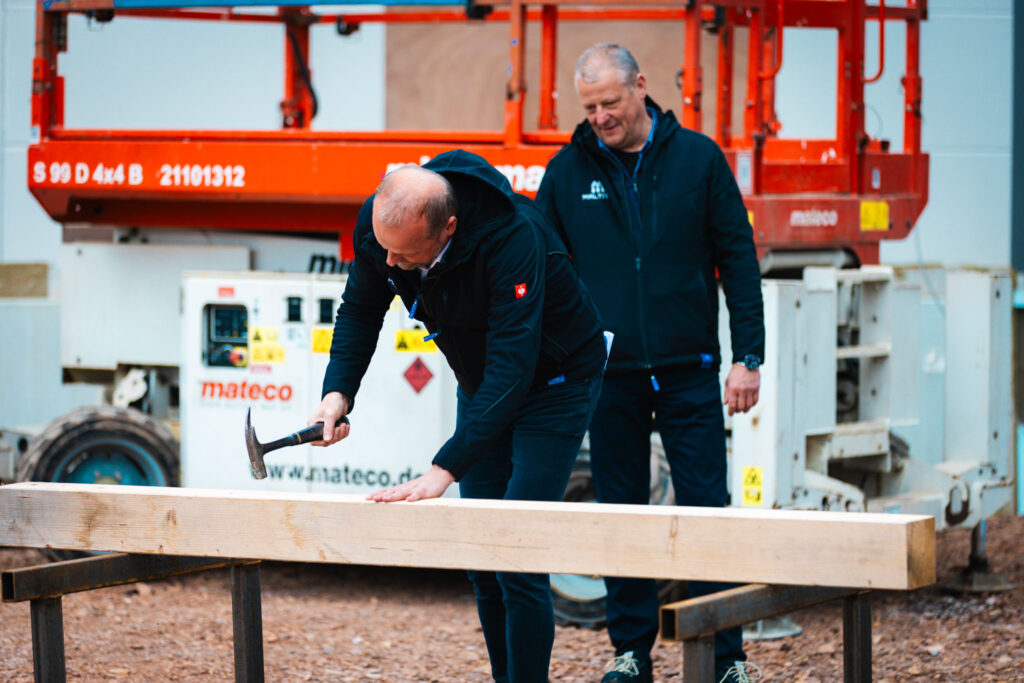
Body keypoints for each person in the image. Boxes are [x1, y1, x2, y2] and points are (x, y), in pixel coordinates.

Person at [308, 150, 608, 683]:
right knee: (483, 555)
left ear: (447, 227)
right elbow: (360, 308)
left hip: (556, 381)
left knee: (515, 550)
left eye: (405, 256)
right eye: (385, 251)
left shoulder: (514, 237)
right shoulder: (386, 226)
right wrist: (338, 393)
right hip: (481, 382)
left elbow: (514, 368)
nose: (392, 264)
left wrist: (445, 468)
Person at [534, 44, 765, 683]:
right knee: (622, 513)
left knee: (704, 511)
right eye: (589, 107)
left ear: (641, 86)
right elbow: (546, 275)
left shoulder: (698, 160)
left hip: (691, 369)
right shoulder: (565, 172)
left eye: (610, 102)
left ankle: (727, 658)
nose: (601, 117)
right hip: (609, 378)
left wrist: (748, 356)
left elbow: (739, 262)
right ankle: (630, 653)